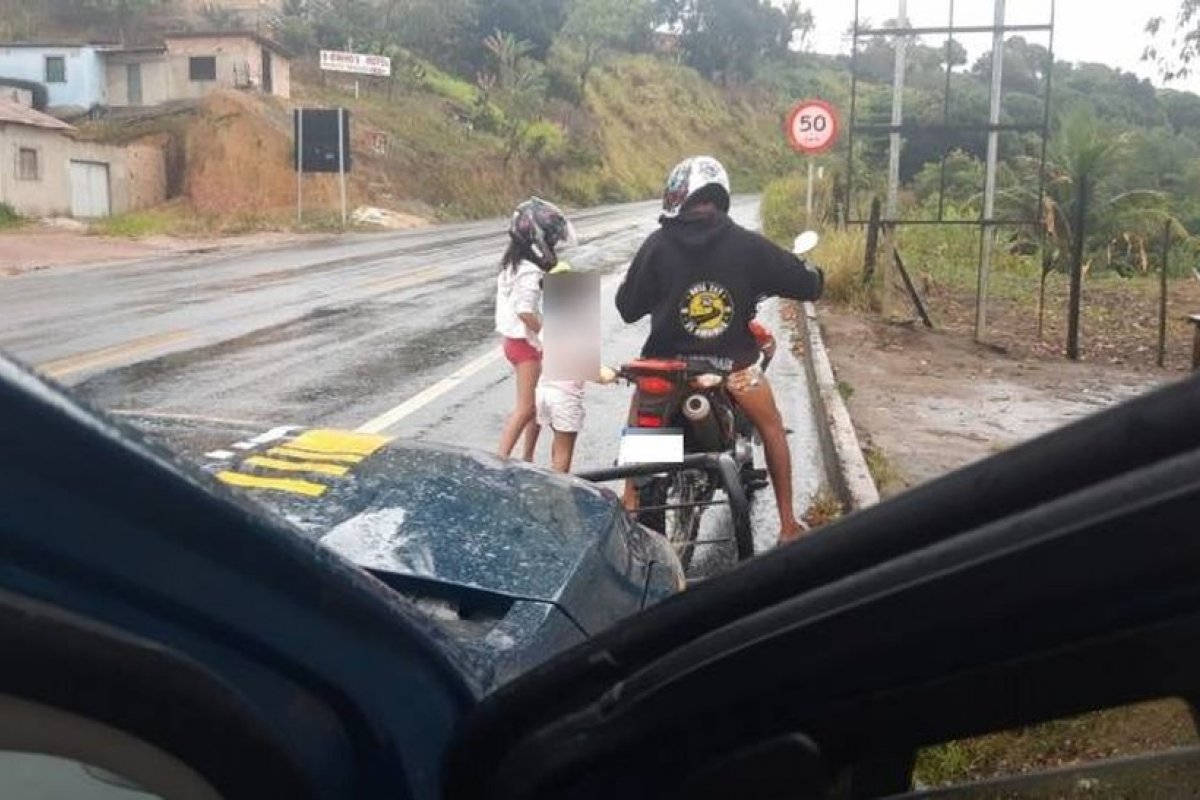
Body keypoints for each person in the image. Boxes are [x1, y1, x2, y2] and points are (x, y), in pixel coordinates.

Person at [615, 156, 824, 544]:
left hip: (665, 368)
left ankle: (629, 499)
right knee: (772, 426)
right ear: (720, 196)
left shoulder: (657, 245)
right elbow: (808, 284)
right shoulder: (748, 245)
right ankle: (787, 525)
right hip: (735, 371)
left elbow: (626, 308)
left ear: (680, 196)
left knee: (640, 414)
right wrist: (812, 273)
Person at [495, 197, 576, 462]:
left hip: (516, 341)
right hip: (525, 345)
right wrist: (549, 335)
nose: (553, 245)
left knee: (537, 408)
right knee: (526, 408)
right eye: (551, 240)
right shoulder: (529, 270)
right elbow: (525, 310)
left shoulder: (514, 264)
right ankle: (499, 460)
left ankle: (527, 458)